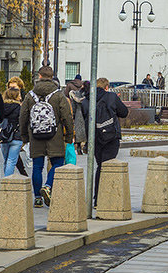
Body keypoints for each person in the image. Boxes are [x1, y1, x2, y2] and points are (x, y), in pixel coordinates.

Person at [19, 65, 74, 207]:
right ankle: (48, 186)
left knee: (37, 167)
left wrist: (25, 137)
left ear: (39, 76)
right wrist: (68, 136)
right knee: (57, 163)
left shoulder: (30, 95)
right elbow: (67, 116)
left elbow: (23, 117)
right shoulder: (58, 94)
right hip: (54, 135)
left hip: (35, 135)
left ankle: (37, 197)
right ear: (52, 77)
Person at [83, 77, 129, 205]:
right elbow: (124, 112)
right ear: (107, 87)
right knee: (107, 166)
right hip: (111, 137)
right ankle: (103, 198)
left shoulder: (87, 100)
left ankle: (97, 198)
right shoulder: (112, 97)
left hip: (95, 138)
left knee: (100, 166)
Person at [0, 84, 26, 177]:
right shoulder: (19, 108)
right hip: (16, 137)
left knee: (6, 160)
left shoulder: (1, 107)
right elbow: (23, 122)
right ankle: (7, 182)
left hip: (4, 136)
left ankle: (6, 181)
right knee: (12, 161)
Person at [68, 77, 88, 155]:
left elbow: (73, 106)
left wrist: (72, 115)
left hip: (78, 115)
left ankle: (79, 147)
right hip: (86, 115)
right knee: (86, 131)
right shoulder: (89, 95)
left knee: (78, 131)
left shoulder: (76, 94)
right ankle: (86, 147)